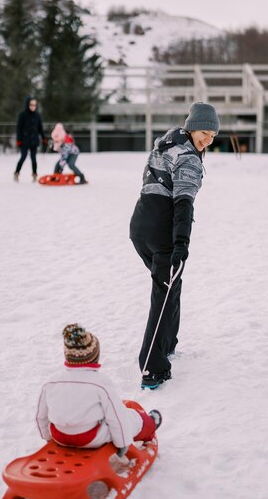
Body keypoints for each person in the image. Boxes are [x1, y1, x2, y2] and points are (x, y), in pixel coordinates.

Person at [129, 102, 220, 389]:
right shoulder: (190, 158)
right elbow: (183, 204)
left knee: (171, 284)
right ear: (192, 127)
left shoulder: (169, 140)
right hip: (161, 229)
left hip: (140, 225)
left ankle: (167, 342)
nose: (208, 140)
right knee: (165, 291)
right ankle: (152, 367)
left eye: (213, 136)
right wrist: (181, 242)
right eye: (204, 132)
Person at [36, 324, 162, 454]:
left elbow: (41, 416)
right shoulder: (100, 383)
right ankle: (150, 424)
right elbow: (116, 417)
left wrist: (48, 438)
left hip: (59, 436)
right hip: (90, 438)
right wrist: (122, 444)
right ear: (94, 357)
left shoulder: (51, 381)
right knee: (129, 417)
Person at [14, 97, 47, 182]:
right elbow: (19, 128)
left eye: (34, 105)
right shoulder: (22, 115)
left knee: (33, 158)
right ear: (27, 105)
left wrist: (44, 138)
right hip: (24, 141)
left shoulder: (37, 115)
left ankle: (34, 174)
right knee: (23, 156)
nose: (33, 106)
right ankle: (17, 173)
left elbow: (40, 128)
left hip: (34, 141)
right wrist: (18, 139)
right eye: (31, 105)